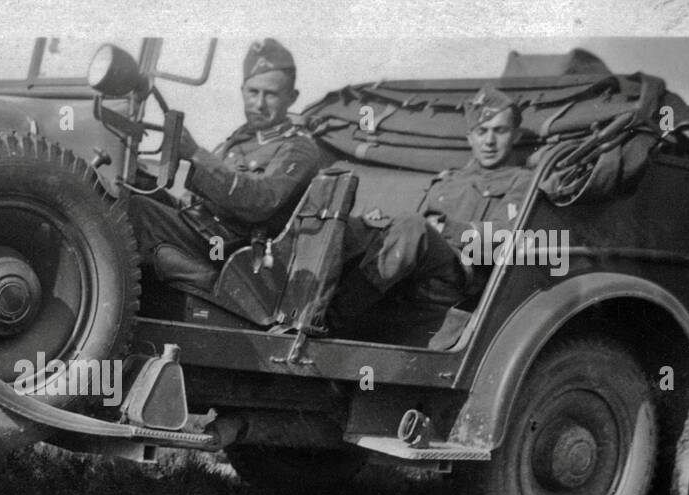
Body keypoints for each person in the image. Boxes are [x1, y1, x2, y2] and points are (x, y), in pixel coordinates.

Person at [325, 85, 534, 343]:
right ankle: (305, 302)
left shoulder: (522, 181)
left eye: (499, 131)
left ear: (515, 135)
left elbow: (505, 237)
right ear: (470, 137)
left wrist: (446, 229)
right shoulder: (450, 178)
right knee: (353, 226)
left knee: (412, 227)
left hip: (463, 274)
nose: (489, 141)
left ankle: (332, 318)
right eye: (482, 131)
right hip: (426, 265)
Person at [128, 38, 321, 293]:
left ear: (291, 97)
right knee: (129, 187)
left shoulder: (298, 148)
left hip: (225, 247)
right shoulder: (240, 139)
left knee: (134, 208)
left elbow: (261, 200)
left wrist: (196, 154)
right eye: (253, 92)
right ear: (243, 90)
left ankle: (204, 278)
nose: (259, 104)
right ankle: (173, 266)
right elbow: (194, 198)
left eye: (271, 94)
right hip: (201, 230)